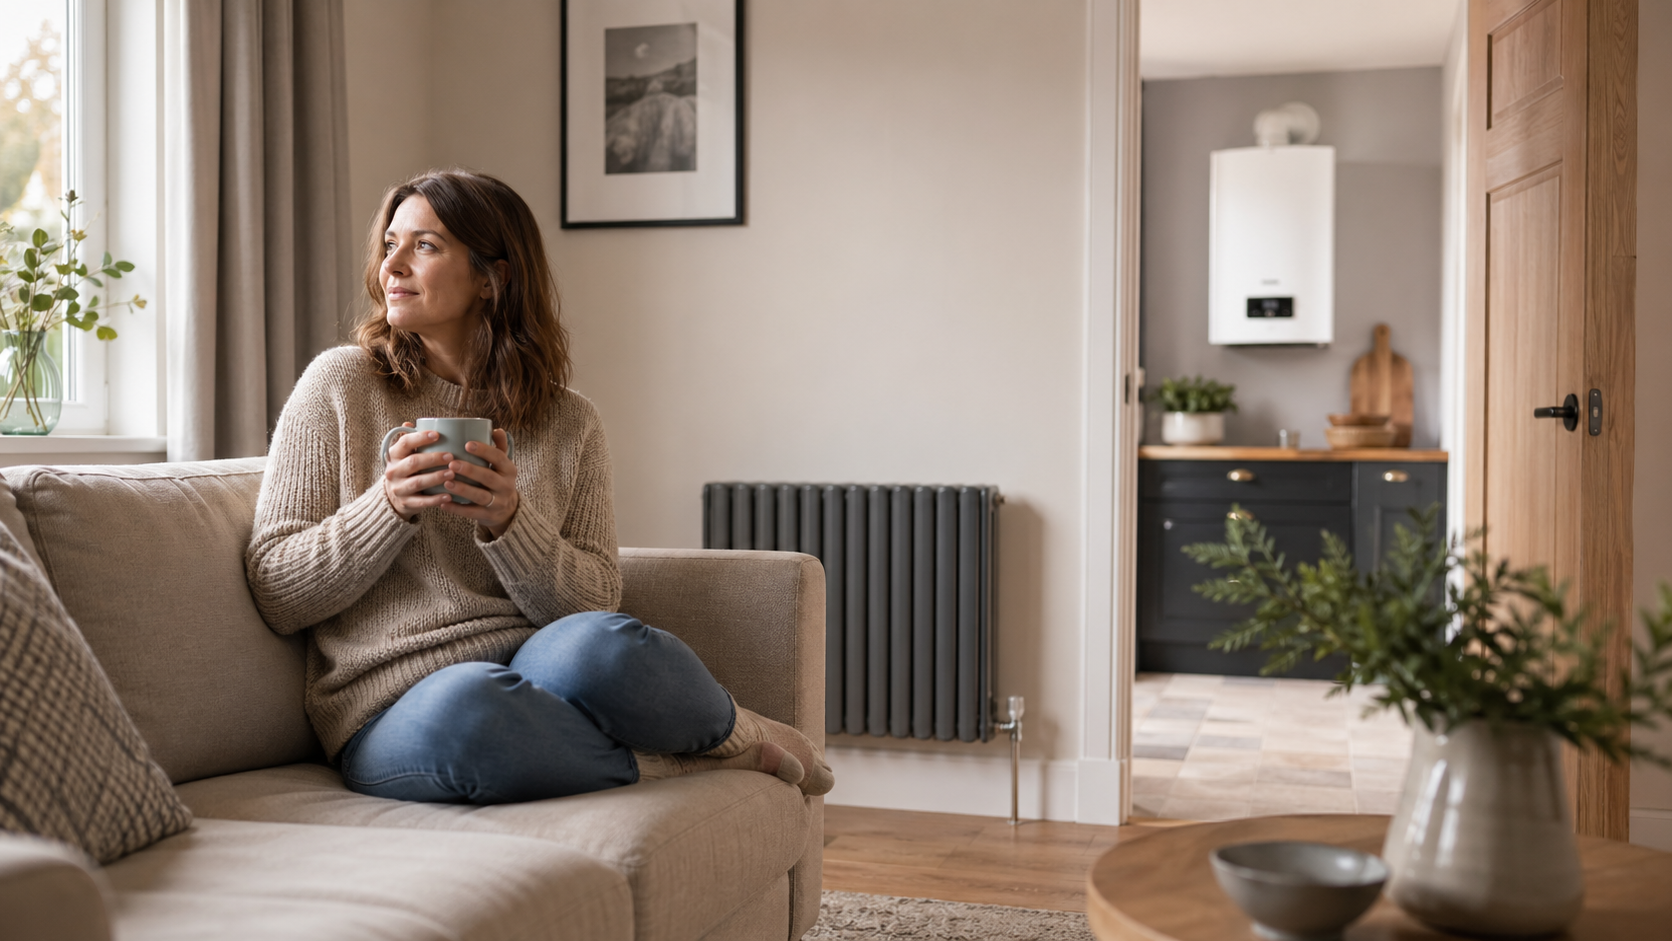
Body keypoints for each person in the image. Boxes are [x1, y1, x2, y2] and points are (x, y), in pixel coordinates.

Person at [245, 168, 833, 804]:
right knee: (472, 710)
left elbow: (596, 601)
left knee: (607, 648)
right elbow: (277, 589)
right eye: (390, 244)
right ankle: (681, 765)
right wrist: (387, 507)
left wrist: (511, 523)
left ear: (491, 279)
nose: (392, 265)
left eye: (425, 246)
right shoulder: (340, 385)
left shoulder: (569, 421)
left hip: (536, 666)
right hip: (392, 703)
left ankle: (739, 732)